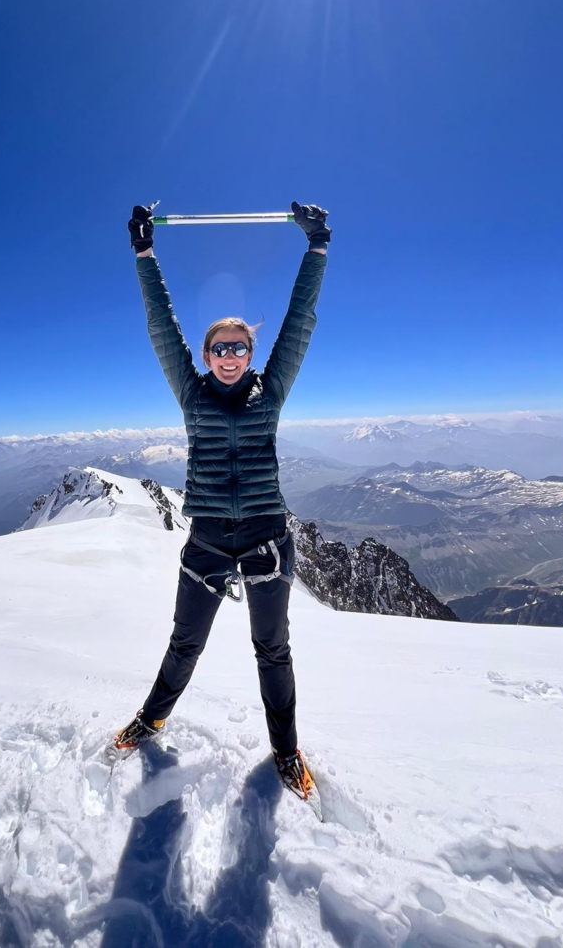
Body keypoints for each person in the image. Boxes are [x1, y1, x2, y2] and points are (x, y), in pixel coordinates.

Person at [114, 201, 330, 799]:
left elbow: (299, 320)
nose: (231, 357)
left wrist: (316, 249)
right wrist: (144, 254)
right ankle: (152, 717)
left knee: (272, 648)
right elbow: (163, 325)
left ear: (251, 356)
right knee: (186, 640)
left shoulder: (272, 390)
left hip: (266, 539)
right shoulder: (191, 394)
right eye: (220, 349)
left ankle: (286, 751)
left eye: (239, 348)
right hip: (208, 538)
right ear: (206, 357)